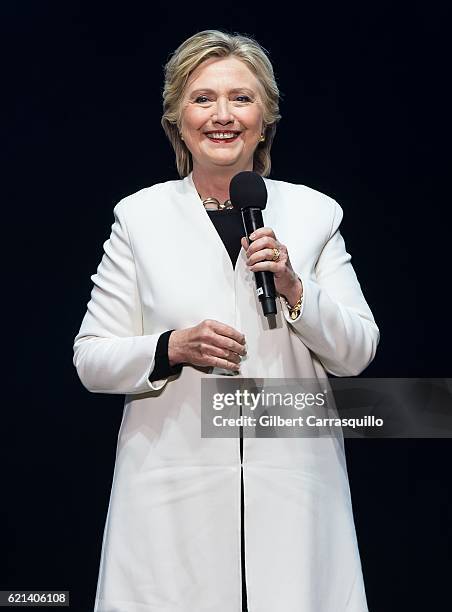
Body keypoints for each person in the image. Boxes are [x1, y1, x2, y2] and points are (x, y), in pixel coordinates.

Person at [73, 29, 379, 612]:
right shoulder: (140, 218)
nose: (222, 115)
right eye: (203, 98)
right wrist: (169, 348)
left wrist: (296, 291)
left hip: (293, 489)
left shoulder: (314, 214)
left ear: (265, 120)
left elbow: (358, 350)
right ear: (177, 120)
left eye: (241, 98)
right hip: (171, 494)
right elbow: (91, 357)